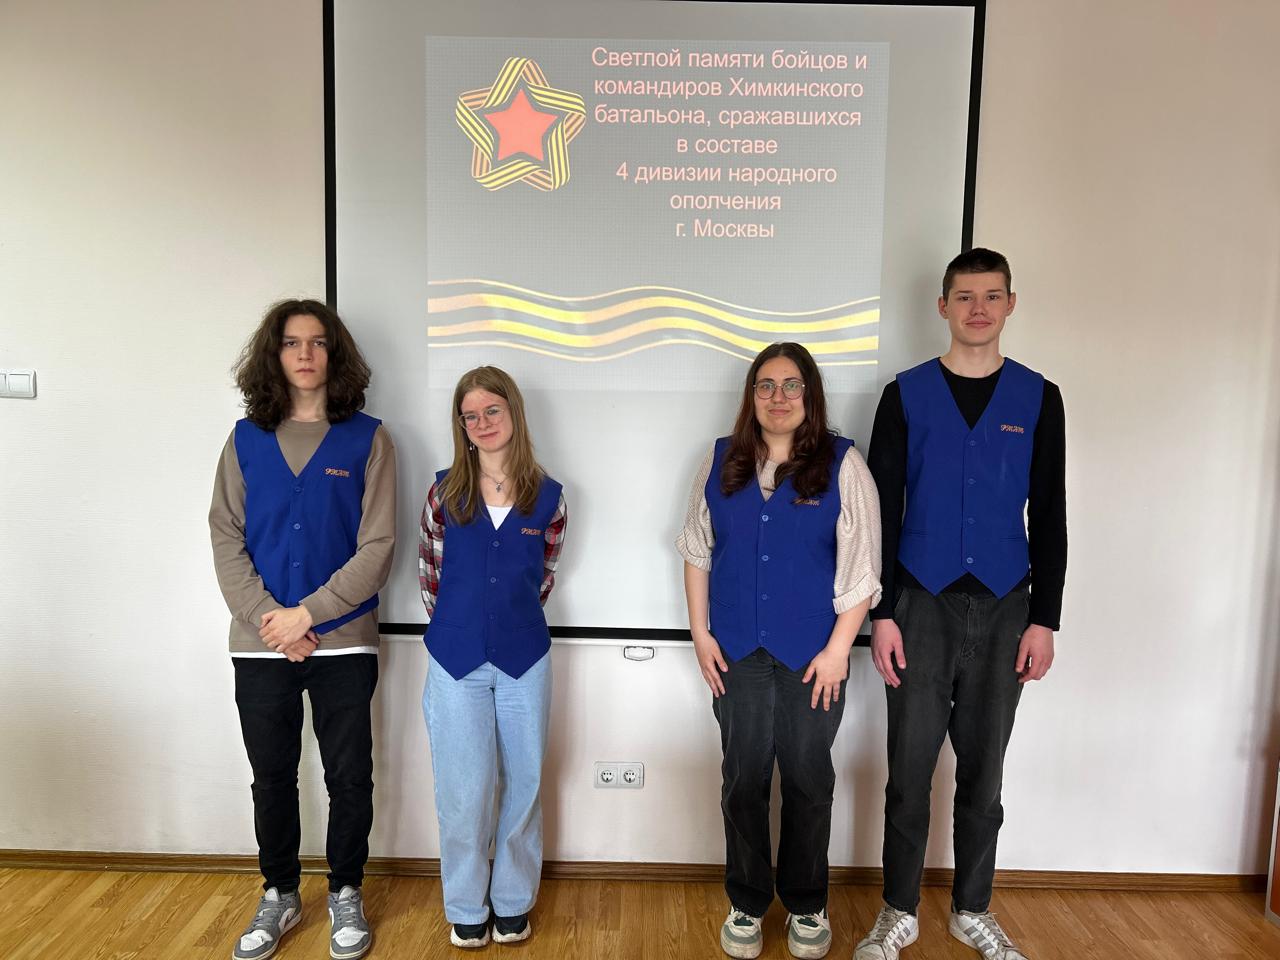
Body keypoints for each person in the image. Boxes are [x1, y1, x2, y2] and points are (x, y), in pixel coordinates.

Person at [854, 248, 1066, 960]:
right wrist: (883, 612)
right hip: (920, 604)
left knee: (984, 774)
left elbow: (1052, 514)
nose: (979, 309)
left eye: (992, 296)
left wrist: (1045, 619)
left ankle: (973, 908)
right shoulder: (904, 394)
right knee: (909, 772)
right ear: (942, 306)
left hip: (1007, 608)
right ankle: (898, 911)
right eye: (965, 297)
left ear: (1011, 304)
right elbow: (880, 512)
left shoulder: (1039, 397)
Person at [677, 342, 882, 960]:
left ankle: (806, 903)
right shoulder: (721, 460)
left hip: (813, 657)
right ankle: (746, 901)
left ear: (810, 395)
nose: (778, 397)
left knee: (808, 779)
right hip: (736, 652)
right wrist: (700, 632)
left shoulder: (844, 465)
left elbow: (862, 568)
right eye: (765, 385)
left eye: (792, 385)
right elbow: (696, 549)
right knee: (742, 779)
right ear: (752, 397)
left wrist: (840, 650)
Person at [209, 298, 396, 960]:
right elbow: (225, 536)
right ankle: (280, 892)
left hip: (344, 642)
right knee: (271, 776)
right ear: (275, 355)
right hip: (260, 645)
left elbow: (377, 547)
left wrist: (306, 616)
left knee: (349, 775)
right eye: (292, 342)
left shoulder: (370, 439)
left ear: (334, 354)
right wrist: (273, 622)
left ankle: (345, 890)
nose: (306, 353)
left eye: (317, 342)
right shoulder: (244, 440)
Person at [418, 366, 567, 949]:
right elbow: (430, 579)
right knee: (464, 791)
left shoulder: (549, 498)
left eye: (492, 411)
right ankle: (465, 905)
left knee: (523, 785)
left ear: (513, 413)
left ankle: (511, 902)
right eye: (470, 416)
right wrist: (464, 628)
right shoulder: (443, 494)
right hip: (455, 661)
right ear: (461, 425)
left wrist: (505, 624)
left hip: (524, 659)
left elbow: (543, 577)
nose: (482, 423)